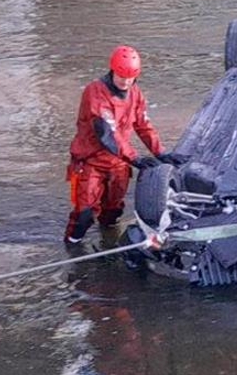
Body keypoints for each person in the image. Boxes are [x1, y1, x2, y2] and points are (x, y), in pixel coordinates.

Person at [66, 45, 169, 244]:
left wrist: (161, 152)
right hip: (91, 162)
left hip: (119, 164)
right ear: (112, 70)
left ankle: (108, 244)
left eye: (130, 78)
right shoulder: (95, 93)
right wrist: (135, 158)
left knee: (113, 213)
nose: (125, 82)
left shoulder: (135, 94)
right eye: (121, 76)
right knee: (84, 215)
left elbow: (143, 125)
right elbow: (107, 135)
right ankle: (73, 247)